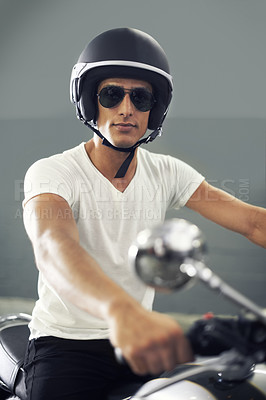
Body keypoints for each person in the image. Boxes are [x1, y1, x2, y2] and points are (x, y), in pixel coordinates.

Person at [22, 28, 266, 400]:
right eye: (111, 95)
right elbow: (52, 245)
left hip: (141, 347)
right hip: (65, 346)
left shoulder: (167, 172)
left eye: (140, 98)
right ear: (90, 102)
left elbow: (252, 222)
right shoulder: (53, 172)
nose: (126, 108)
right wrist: (121, 311)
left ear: (155, 109)